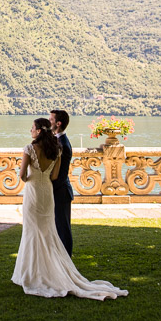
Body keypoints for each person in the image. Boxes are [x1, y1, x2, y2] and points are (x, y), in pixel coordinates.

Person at [11, 118, 128, 300]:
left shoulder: (29, 149)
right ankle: (50, 271)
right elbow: (55, 175)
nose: (30, 130)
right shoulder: (57, 149)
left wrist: (31, 179)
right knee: (48, 233)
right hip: (47, 193)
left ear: (39, 131)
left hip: (33, 193)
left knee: (31, 232)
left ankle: (31, 274)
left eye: (32, 128)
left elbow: (22, 176)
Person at [50, 109, 74, 256]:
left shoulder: (63, 144)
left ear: (58, 124)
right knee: (58, 227)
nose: (48, 122)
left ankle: (67, 260)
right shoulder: (58, 140)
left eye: (51, 120)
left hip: (61, 192)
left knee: (64, 228)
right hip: (59, 191)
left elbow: (61, 175)